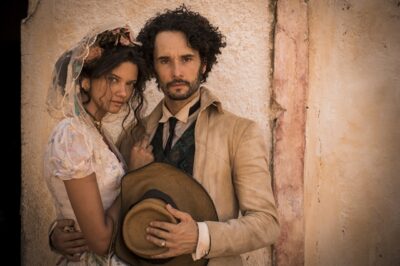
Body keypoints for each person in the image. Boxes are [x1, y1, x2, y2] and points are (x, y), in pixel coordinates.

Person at [51, 5, 280, 266]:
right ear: (153, 67)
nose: (176, 72)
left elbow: (267, 224)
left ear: (203, 64)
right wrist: (59, 235)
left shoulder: (240, 133)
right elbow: (102, 205)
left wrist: (201, 236)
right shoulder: (132, 135)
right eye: (164, 61)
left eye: (186, 59)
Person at [44, 23, 154, 265]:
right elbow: (100, 242)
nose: (123, 92)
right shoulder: (72, 134)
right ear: (85, 81)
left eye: (129, 83)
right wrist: (133, 176)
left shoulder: (95, 132)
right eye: (113, 79)